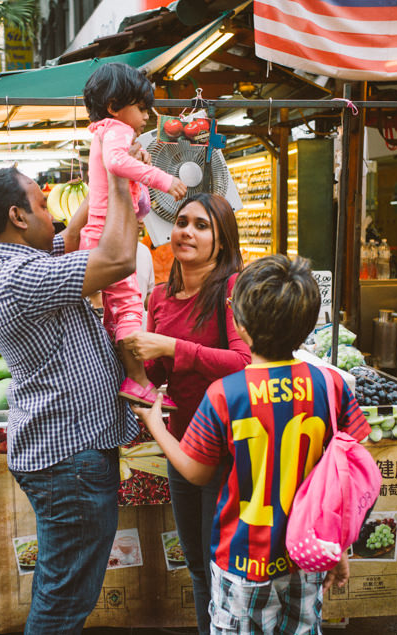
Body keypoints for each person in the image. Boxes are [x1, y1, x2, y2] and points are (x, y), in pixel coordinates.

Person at [133, 255, 371, 635]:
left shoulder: (226, 394)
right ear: (309, 325)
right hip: (307, 555)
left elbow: (196, 472)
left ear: (240, 324)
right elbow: (347, 475)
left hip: (242, 562)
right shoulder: (331, 385)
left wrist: (154, 423)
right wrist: (338, 547)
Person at [0, 165, 140, 634]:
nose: (53, 215)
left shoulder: (10, 262)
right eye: (42, 205)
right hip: (70, 458)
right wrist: (125, 179)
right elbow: (121, 259)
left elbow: (66, 239)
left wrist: (103, 179)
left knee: (63, 587)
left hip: (64, 452)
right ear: (17, 217)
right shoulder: (20, 277)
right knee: (64, 600)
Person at [123, 193, 251, 634]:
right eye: (181, 222)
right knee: (197, 564)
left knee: (224, 563)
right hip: (181, 444)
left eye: (201, 225)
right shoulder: (159, 296)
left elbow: (244, 364)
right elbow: (158, 371)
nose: (187, 232)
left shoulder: (234, 291)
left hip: (230, 448)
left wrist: (174, 347)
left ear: (221, 240)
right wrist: (131, 349)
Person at [82, 62, 188, 408]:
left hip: (96, 236)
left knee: (115, 309)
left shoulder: (102, 131)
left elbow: (138, 207)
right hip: (107, 237)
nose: (147, 116)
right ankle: (138, 380)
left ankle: (125, 373)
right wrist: (161, 178)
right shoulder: (117, 131)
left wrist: (139, 181)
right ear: (114, 106)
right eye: (141, 108)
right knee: (129, 306)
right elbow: (116, 163)